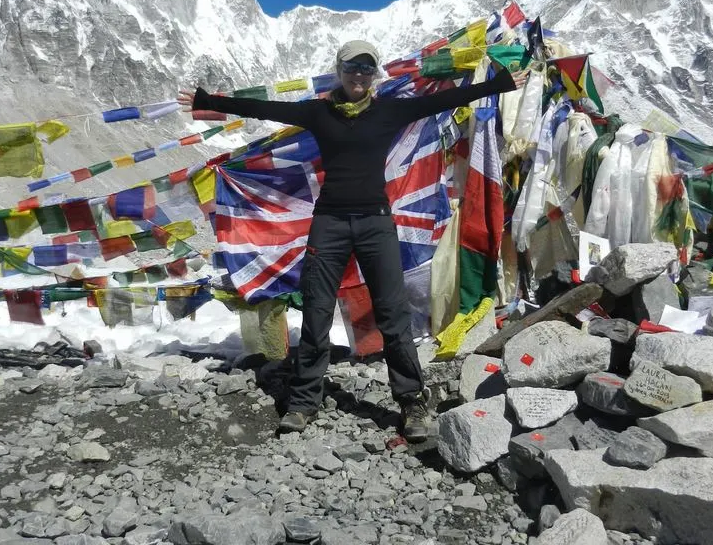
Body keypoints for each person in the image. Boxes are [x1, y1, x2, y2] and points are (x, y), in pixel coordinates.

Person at [178, 40, 517, 441]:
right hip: (330, 224)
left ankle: (411, 402)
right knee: (318, 310)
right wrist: (205, 100)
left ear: (375, 76)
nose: (359, 76)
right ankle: (304, 402)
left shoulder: (390, 109)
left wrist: (504, 82)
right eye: (353, 68)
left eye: (367, 69)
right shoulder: (319, 112)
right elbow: (265, 109)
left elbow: (454, 96)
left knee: (392, 313)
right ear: (339, 70)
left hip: (376, 224)